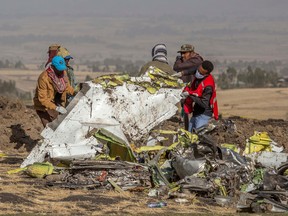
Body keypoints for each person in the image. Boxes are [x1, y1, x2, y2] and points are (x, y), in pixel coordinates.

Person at [34, 55, 74, 127]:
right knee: (50, 128)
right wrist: (56, 108)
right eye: (59, 69)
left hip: (55, 101)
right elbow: (43, 99)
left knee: (60, 125)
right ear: (53, 67)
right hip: (43, 107)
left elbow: (67, 87)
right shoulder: (44, 78)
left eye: (62, 69)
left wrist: (75, 92)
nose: (61, 71)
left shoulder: (62, 73)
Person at [181, 60, 218, 132]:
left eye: (200, 72)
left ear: (206, 74)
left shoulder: (208, 86)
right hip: (196, 113)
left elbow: (204, 103)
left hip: (203, 115)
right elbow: (192, 70)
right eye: (198, 70)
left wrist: (190, 95)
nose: (197, 73)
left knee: (199, 137)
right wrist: (181, 73)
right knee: (189, 134)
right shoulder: (199, 74)